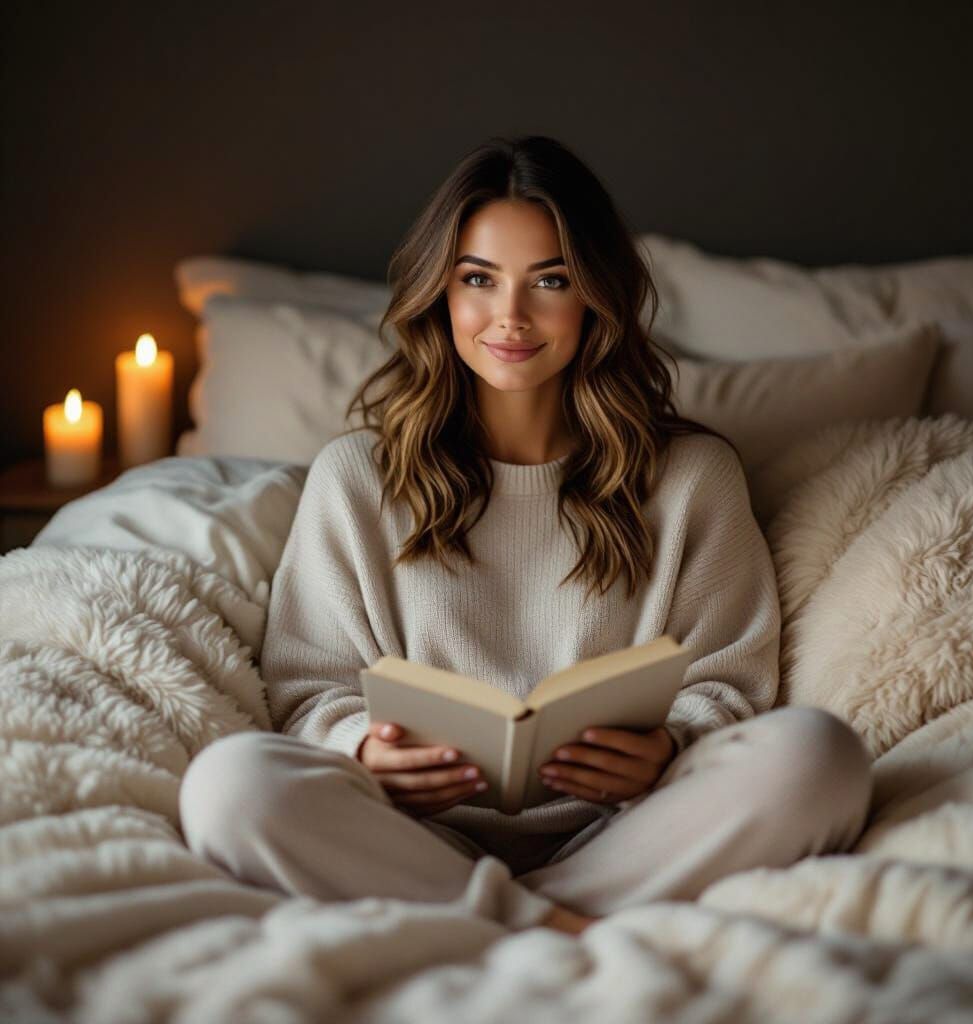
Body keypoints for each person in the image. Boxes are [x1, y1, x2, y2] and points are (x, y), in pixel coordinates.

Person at [178, 135, 873, 937]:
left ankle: (486, 925)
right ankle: (557, 926)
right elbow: (306, 690)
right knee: (228, 784)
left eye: (551, 280)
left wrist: (673, 744)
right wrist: (363, 751)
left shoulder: (692, 477)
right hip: (404, 835)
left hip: (630, 833)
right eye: (478, 279)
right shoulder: (357, 477)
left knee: (818, 756)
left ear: (595, 298)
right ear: (440, 293)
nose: (510, 316)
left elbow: (732, 685)